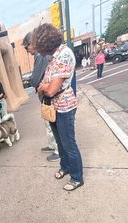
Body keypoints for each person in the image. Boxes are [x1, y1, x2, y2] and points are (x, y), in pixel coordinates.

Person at [33, 23, 83, 191]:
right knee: (60, 142)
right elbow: (43, 82)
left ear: (45, 42)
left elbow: (51, 88)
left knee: (68, 144)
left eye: (38, 45)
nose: (38, 50)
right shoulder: (55, 56)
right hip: (54, 106)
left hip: (64, 105)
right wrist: (44, 86)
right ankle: (66, 167)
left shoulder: (64, 54)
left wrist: (43, 87)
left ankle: (77, 178)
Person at [22, 32, 59, 162]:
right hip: (47, 95)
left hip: (48, 96)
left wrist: (34, 81)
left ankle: (57, 150)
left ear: (32, 43)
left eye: (27, 48)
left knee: (51, 123)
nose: (27, 51)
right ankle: (52, 146)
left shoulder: (40, 56)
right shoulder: (43, 55)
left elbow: (35, 79)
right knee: (49, 123)